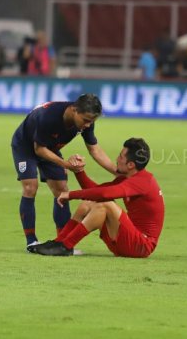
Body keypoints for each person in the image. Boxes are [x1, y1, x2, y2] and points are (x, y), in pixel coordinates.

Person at [11, 94, 116, 251]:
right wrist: (65, 164)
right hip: (25, 147)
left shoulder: (86, 121)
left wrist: (117, 172)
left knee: (62, 191)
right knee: (30, 187)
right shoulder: (49, 116)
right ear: (74, 110)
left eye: (92, 122)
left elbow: (94, 149)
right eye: (86, 120)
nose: (88, 125)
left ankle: (63, 243)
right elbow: (38, 149)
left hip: (49, 148)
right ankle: (31, 241)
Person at [31, 138, 165, 258]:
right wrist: (79, 171)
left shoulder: (143, 181)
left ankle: (66, 246)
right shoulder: (130, 178)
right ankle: (59, 242)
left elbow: (104, 195)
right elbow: (96, 191)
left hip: (141, 246)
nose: (117, 159)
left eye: (121, 156)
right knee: (88, 203)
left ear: (131, 165)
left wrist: (70, 195)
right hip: (126, 241)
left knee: (106, 205)